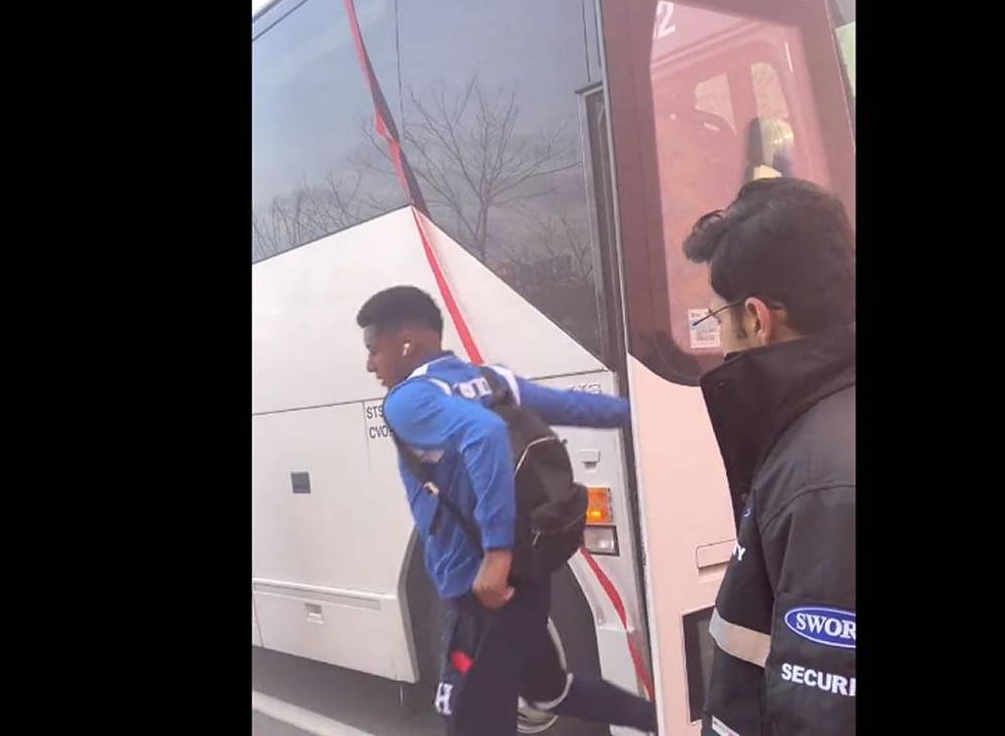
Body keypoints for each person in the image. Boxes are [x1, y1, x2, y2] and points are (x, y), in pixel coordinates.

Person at [356, 285, 657, 735]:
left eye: (373, 350)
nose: (369, 365)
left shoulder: (408, 399)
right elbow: (576, 406)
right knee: (549, 690)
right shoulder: (492, 379)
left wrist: (496, 554)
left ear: (406, 343)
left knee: (467, 719)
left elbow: (485, 434)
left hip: (481, 592)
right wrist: (650, 412)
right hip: (529, 579)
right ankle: (665, 721)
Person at [682, 178, 855, 736]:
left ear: (756, 318)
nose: (720, 339)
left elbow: (824, 708)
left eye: (716, 318)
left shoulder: (821, 480)